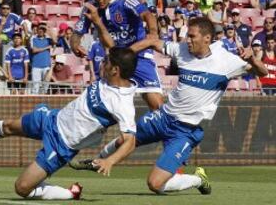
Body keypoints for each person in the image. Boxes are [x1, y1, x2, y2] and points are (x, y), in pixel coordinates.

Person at [69, 17, 268, 195]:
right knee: (125, 140)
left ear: (207, 38)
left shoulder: (227, 61)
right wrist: (126, 53)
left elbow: (262, 72)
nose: (187, 40)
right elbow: (153, 42)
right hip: (163, 117)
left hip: (185, 131)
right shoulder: (182, 50)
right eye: (187, 36)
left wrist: (251, 58)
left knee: (155, 184)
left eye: (192, 36)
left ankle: (198, 179)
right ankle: (97, 161)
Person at [0, 47, 138, 201]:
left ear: (115, 69)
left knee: (22, 188)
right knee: (9, 126)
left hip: (62, 145)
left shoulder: (123, 103)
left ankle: (71, 193)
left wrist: (109, 161)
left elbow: (130, 141)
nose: (101, 64)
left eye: (106, 62)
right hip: (52, 118)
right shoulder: (108, 78)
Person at [71, 0, 163, 111]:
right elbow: (77, 32)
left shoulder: (125, 0)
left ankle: (161, 131)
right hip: (114, 60)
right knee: (105, 106)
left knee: (157, 106)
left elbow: (147, 15)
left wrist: (153, 32)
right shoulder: (90, 7)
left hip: (139, 56)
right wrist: (74, 44)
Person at [30, 23, 54, 94]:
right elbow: (34, 50)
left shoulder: (48, 39)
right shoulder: (33, 38)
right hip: (36, 66)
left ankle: (43, 101)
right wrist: (46, 47)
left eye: (42, 29)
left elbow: (55, 41)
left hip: (46, 65)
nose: (41, 31)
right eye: (39, 29)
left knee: (45, 86)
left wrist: (48, 30)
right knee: (35, 86)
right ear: (37, 30)